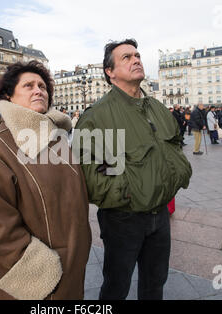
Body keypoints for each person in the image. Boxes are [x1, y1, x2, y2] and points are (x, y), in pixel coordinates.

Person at [0, 60, 92, 300]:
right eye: (29, 85)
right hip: (33, 287)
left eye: (43, 86)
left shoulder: (58, 139)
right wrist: (43, 275)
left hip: (70, 272)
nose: (38, 90)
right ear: (9, 96)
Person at [75, 39, 192, 300]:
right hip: (123, 218)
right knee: (116, 286)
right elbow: (93, 173)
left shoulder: (157, 108)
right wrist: (130, 195)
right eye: (126, 57)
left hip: (160, 214)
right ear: (110, 72)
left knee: (155, 283)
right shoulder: (98, 116)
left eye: (137, 55)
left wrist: (177, 176)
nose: (136, 59)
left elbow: (174, 145)